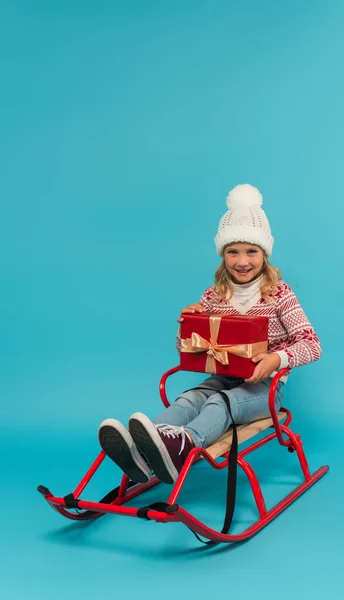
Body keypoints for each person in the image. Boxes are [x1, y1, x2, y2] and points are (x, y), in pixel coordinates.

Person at [98, 184, 322, 485]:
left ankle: (184, 445)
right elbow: (187, 350)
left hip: (265, 389)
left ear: (264, 254)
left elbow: (312, 345)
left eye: (251, 251)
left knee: (220, 403)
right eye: (233, 252)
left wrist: (275, 359)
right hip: (223, 375)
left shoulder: (279, 295)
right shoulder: (214, 295)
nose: (242, 261)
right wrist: (188, 324)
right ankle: (140, 449)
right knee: (190, 398)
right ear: (223, 255)